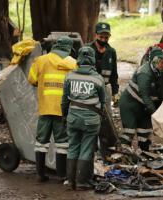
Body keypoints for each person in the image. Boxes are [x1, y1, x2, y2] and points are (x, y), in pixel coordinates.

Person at [28, 36, 77, 182]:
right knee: (62, 143)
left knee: (41, 142)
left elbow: (31, 79)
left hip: (45, 108)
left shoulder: (41, 60)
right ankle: (62, 175)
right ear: (68, 49)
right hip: (63, 110)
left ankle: (40, 174)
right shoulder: (74, 64)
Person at [61, 46, 106, 190]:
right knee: (86, 149)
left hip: (72, 118)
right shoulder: (97, 79)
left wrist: (64, 115)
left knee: (73, 147)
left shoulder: (69, 76)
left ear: (78, 59)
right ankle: (82, 183)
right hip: (90, 120)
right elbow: (103, 102)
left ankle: (70, 181)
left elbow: (64, 100)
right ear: (92, 60)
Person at [119, 47, 163, 151]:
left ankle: (144, 153)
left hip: (143, 107)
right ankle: (123, 152)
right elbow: (145, 96)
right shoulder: (144, 73)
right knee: (129, 131)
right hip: (130, 105)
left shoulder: (159, 72)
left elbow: (162, 90)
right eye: (162, 62)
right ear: (154, 61)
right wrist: (156, 114)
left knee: (145, 132)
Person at [87, 22, 119, 112]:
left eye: (106, 37)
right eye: (101, 37)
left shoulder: (111, 52)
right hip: (89, 88)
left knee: (105, 114)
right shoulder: (87, 49)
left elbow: (114, 74)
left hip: (104, 89)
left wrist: (115, 92)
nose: (104, 40)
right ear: (96, 35)